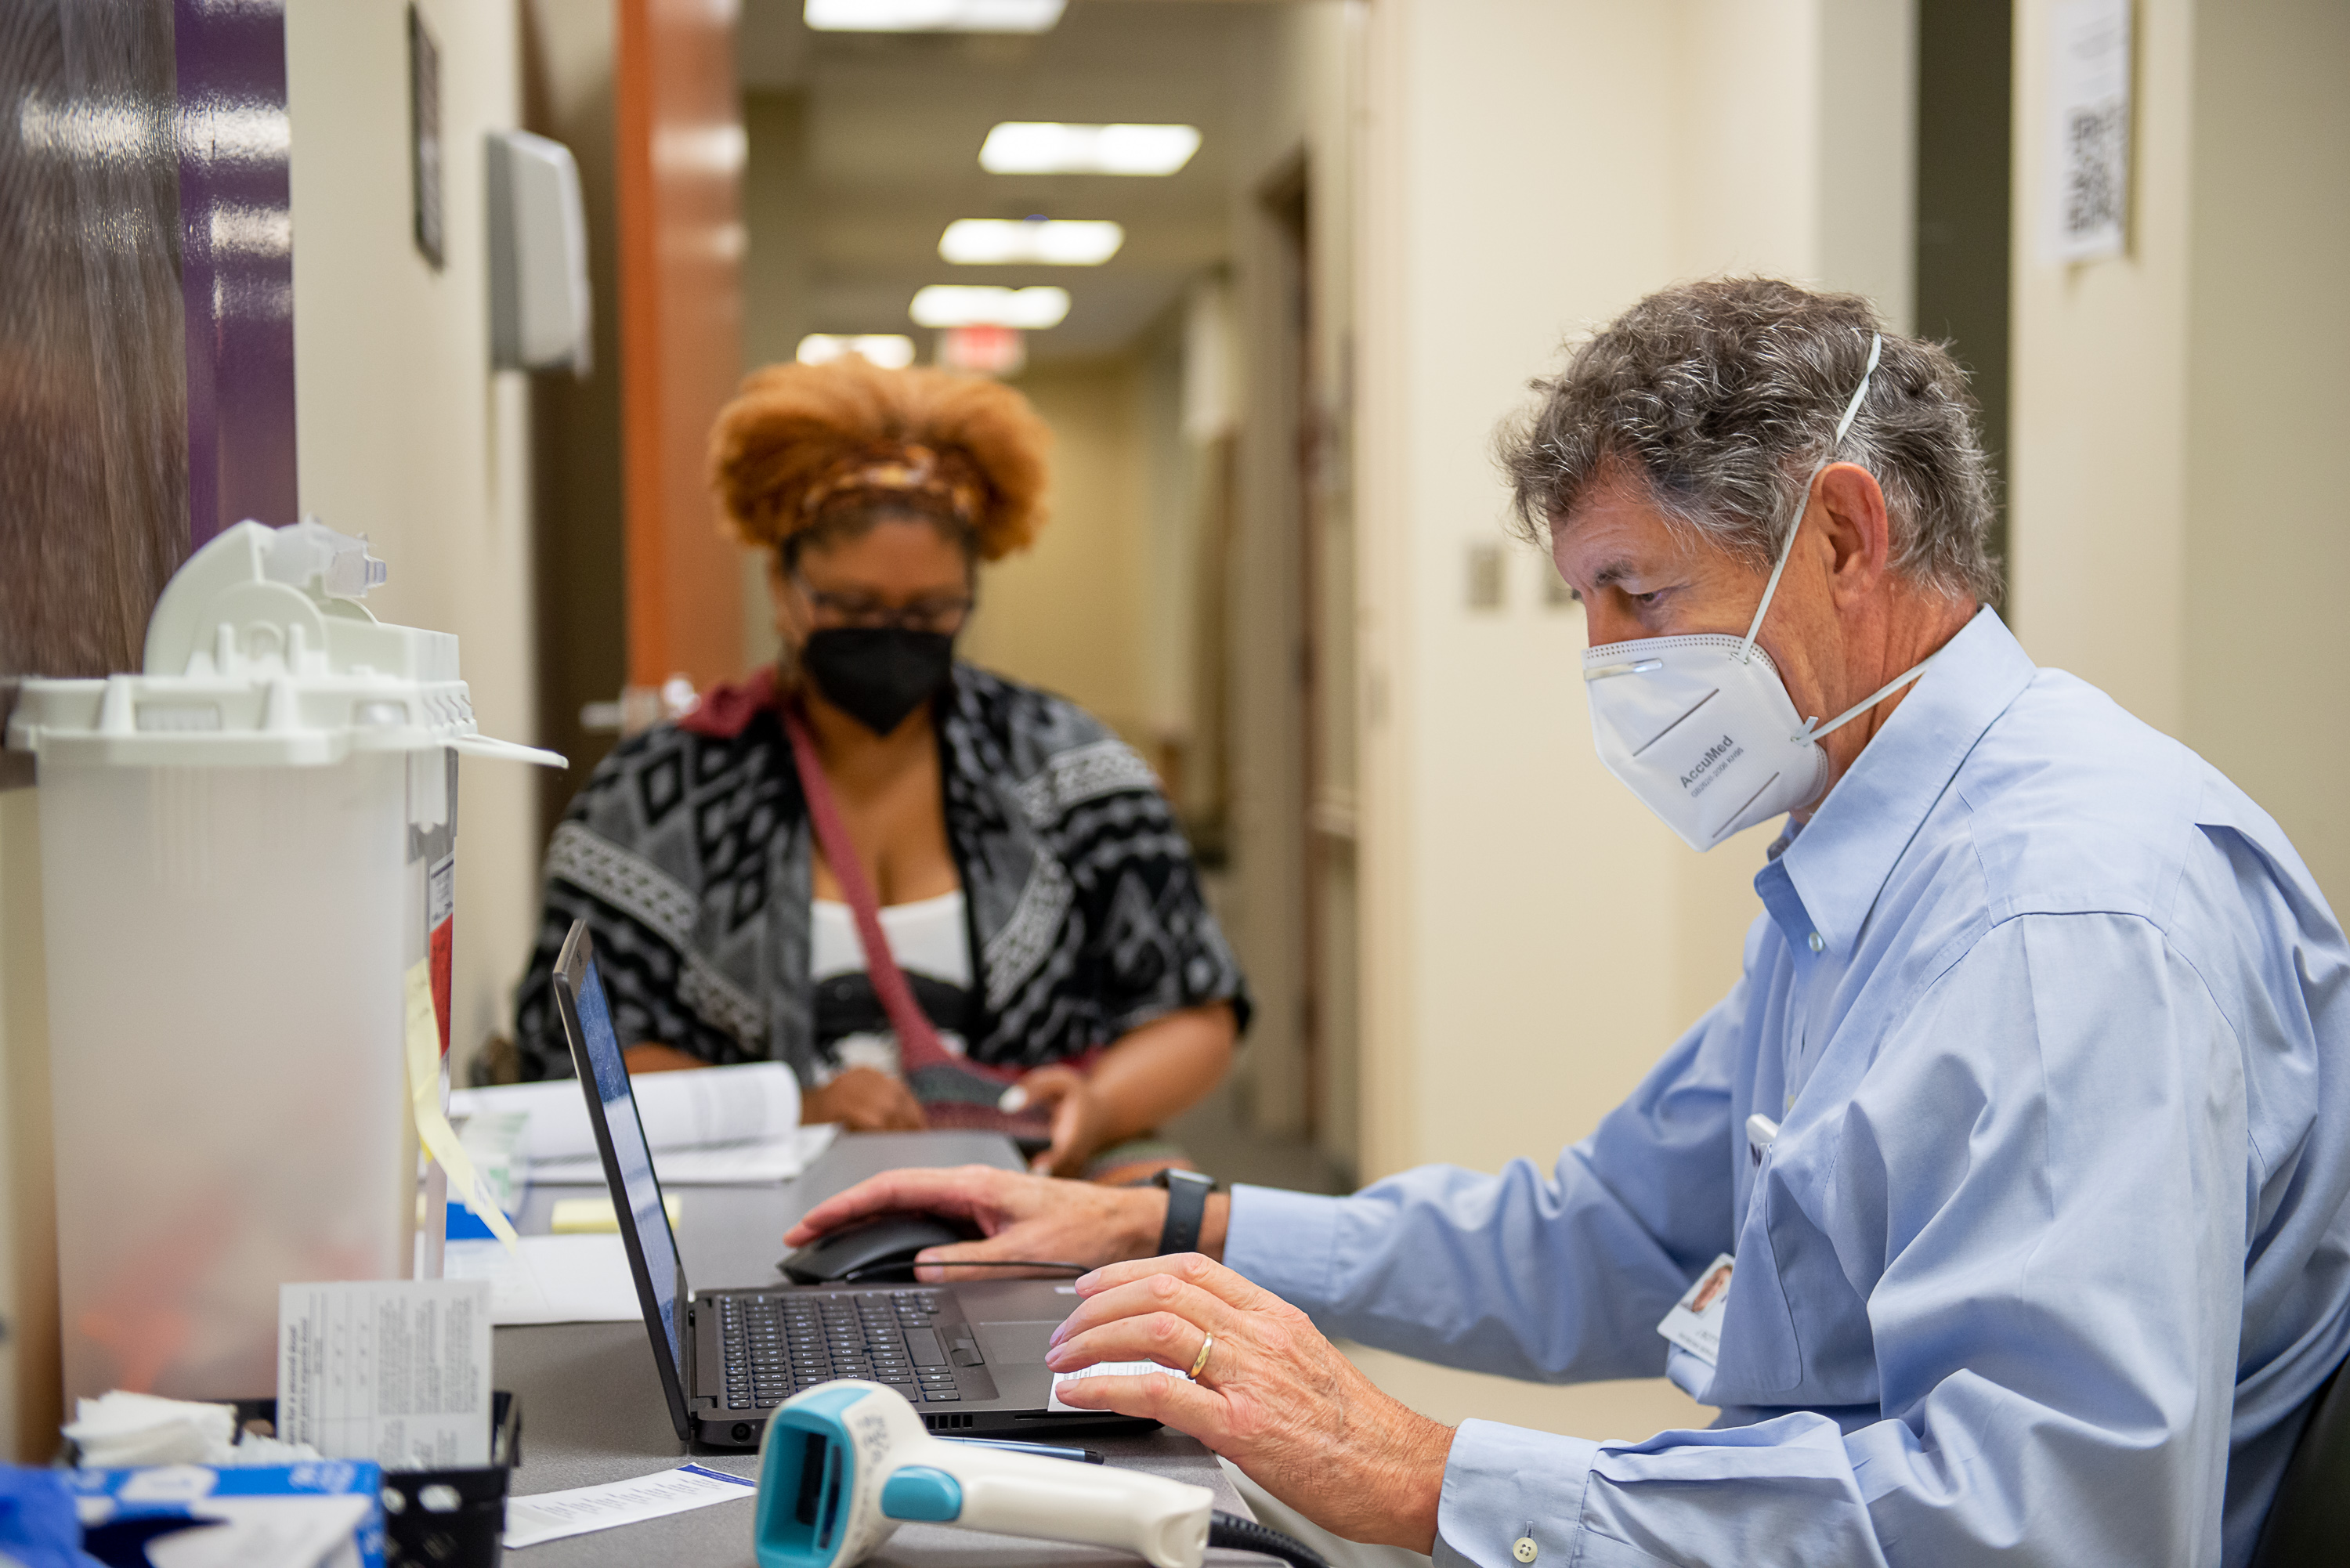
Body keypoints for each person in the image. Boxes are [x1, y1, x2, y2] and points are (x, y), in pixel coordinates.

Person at [782, 280, 2350, 1566]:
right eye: (1581, 607)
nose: (1604, 663)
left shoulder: (2055, 914)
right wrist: (1180, 1220)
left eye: (1638, 597)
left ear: (1846, 537)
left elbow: (2056, 1525)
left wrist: (1428, 1470)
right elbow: (1614, 1231)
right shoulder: (1866, 858)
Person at [512, 356, 1249, 1180]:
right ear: (783, 589)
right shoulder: (662, 793)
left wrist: (1101, 1104)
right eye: (855, 608)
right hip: (760, 1190)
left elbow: (1198, 1009)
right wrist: (795, 1105)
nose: (893, 635)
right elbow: (575, 1045)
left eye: (931, 612)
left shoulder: (1067, 769)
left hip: (1037, 1186)